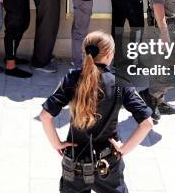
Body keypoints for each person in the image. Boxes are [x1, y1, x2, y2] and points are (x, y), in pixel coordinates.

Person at [40, 30, 154, 192]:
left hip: (75, 164)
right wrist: (124, 149)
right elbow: (147, 123)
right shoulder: (121, 82)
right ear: (109, 54)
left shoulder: (72, 78)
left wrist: (56, 143)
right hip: (107, 163)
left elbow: (45, 116)